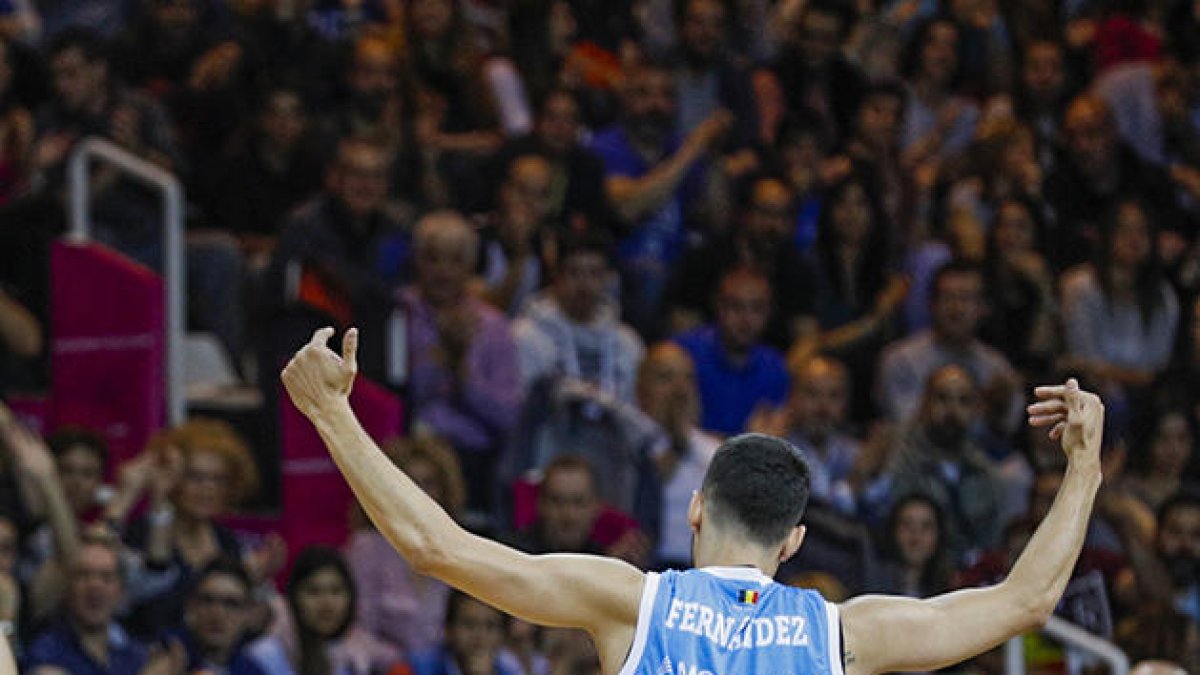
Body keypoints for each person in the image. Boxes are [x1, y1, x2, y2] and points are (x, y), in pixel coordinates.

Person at [282, 325, 1107, 675]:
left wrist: (330, 411)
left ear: (696, 510)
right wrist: (1083, 466)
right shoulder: (846, 633)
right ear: (793, 542)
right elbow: (1028, 598)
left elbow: (439, 548)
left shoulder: (630, 602)